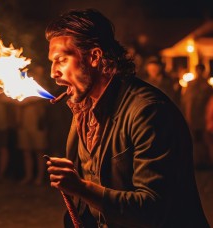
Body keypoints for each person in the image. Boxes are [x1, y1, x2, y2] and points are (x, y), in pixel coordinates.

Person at [44, 9, 209, 227]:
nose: (53, 72)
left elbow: (153, 207)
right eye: (52, 62)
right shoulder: (82, 109)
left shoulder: (149, 111)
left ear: (94, 56)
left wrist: (81, 188)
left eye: (61, 60)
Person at [182, 64, 213, 168]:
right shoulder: (192, 84)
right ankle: (196, 160)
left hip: (203, 115)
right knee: (194, 138)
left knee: (204, 139)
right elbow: (187, 101)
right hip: (194, 115)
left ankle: (204, 160)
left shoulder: (207, 86)